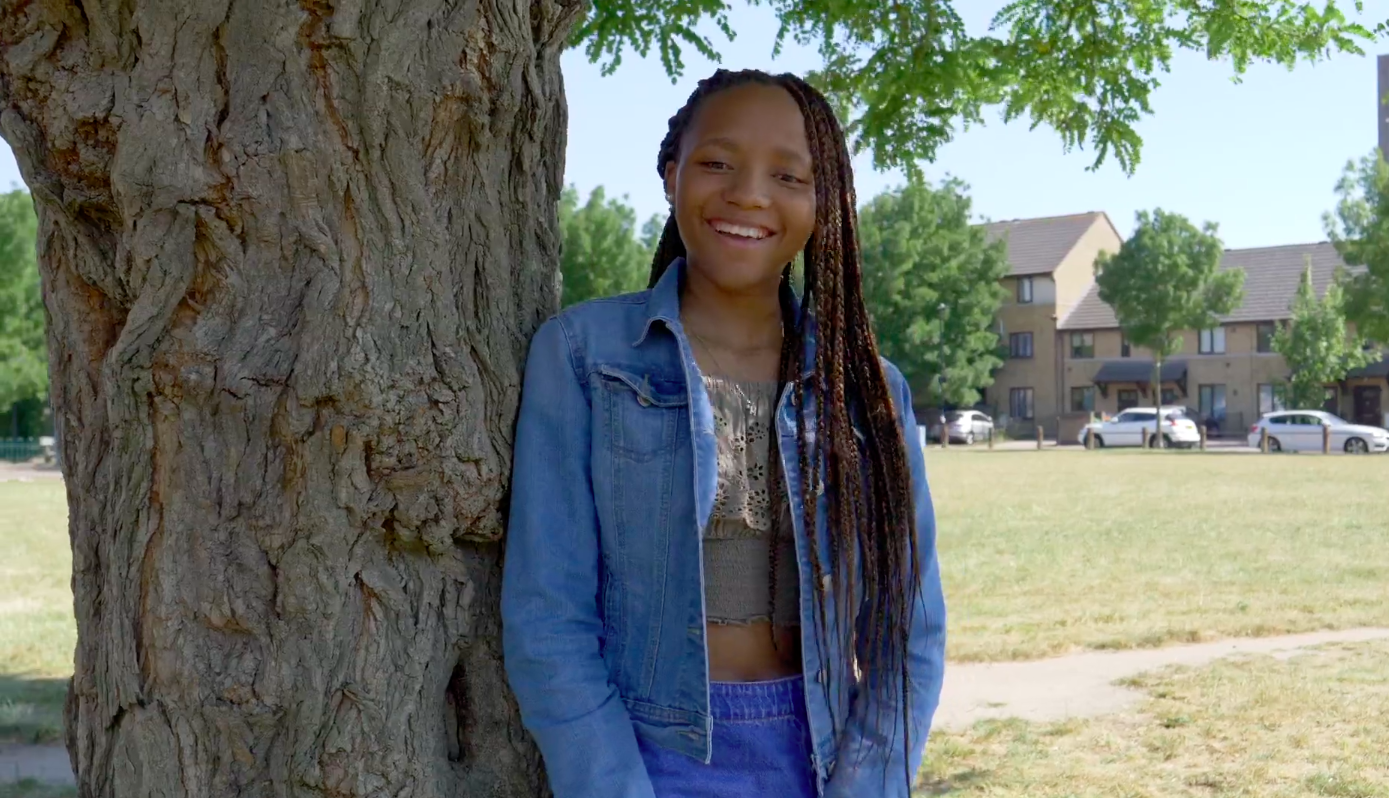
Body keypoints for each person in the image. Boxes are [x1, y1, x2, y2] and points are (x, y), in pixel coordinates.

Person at [501, 68, 946, 798]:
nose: (748, 193)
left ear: (823, 200)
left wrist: (866, 785)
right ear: (671, 173)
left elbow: (909, 631)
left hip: (823, 760)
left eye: (788, 175)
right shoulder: (583, 355)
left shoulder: (869, 393)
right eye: (716, 163)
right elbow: (548, 616)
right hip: (643, 757)